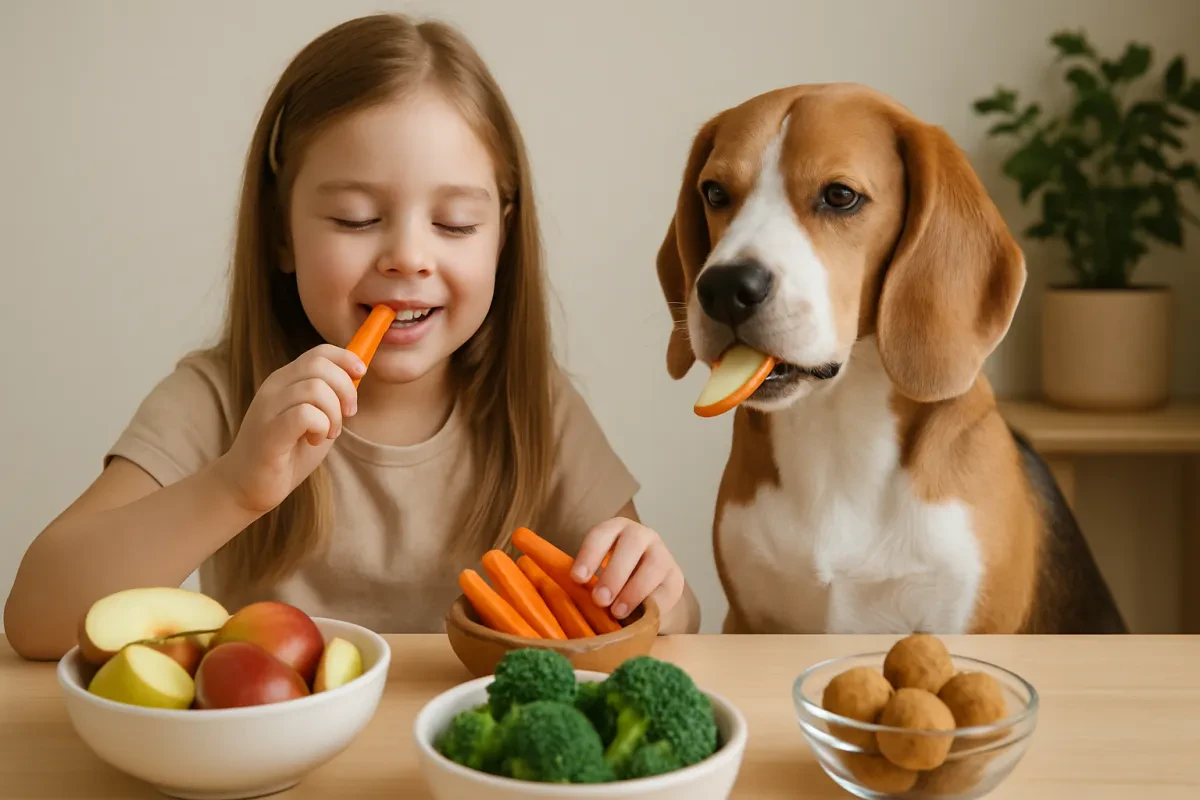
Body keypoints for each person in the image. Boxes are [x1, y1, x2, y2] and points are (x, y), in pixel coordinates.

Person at [4, 13, 700, 660]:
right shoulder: (219, 398)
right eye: (356, 219)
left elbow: (679, 618)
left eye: (455, 223)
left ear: (503, 238)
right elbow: (35, 618)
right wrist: (235, 487)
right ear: (282, 232)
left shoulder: (532, 404)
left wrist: (655, 587)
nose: (408, 256)